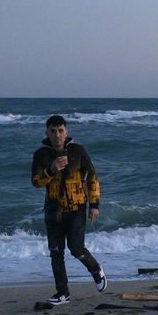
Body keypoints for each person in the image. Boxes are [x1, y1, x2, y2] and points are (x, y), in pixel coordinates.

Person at [31, 115, 106, 304]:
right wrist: (51, 169)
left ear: (66, 132)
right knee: (56, 253)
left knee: (76, 249)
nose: (57, 135)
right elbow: (36, 182)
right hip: (53, 209)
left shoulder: (78, 151)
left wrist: (94, 205)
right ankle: (63, 293)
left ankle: (96, 269)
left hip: (76, 209)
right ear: (47, 133)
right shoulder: (41, 154)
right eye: (53, 131)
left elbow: (92, 177)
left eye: (60, 131)